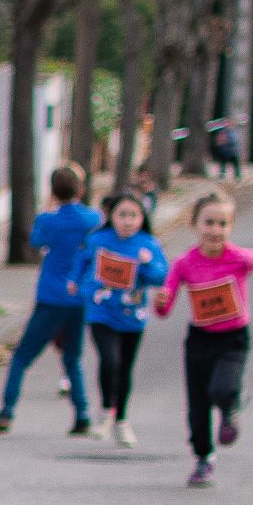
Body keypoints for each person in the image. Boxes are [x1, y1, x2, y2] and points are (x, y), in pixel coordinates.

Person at [155, 193, 253, 486]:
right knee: (197, 408)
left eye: (223, 224)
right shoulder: (184, 263)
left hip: (233, 339)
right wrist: (161, 301)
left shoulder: (239, 258)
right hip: (199, 340)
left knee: (222, 388)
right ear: (194, 224)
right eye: (209, 222)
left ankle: (230, 406)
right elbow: (165, 308)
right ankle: (203, 458)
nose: (215, 230)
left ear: (231, 226)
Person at [0, 164, 101, 436]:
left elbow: (36, 241)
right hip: (78, 297)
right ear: (81, 189)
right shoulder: (92, 219)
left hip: (51, 295)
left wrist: (49, 208)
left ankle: (7, 409)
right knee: (72, 357)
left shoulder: (48, 219)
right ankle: (82, 412)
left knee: (22, 356)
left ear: (53, 191)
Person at [83, 191, 166, 446]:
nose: (127, 221)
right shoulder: (98, 240)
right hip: (101, 311)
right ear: (111, 216)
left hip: (132, 316)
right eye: (122, 215)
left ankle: (121, 420)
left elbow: (161, 277)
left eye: (133, 215)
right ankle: (106, 410)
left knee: (125, 368)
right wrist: (81, 287)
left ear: (142, 218)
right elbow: (82, 266)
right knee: (110, 361)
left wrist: (147, 264)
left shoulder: (148, 244)